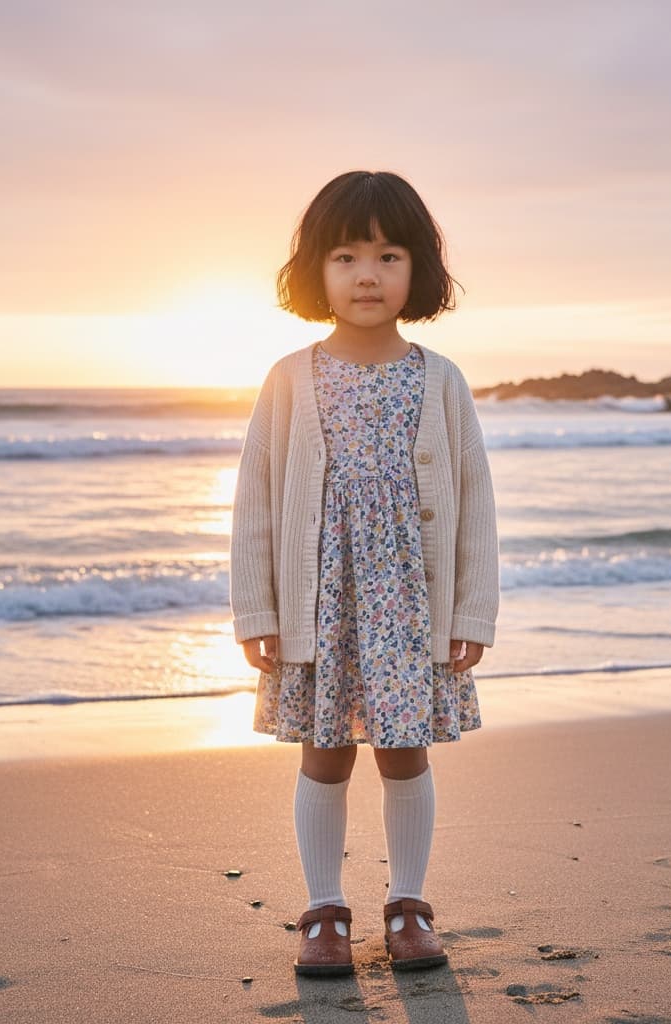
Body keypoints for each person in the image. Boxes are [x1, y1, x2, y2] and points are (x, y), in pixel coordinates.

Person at [229, 170, 499, 977]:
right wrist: (257, 609)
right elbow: (256, 501)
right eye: (345, 256)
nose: (367, 275)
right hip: (323, 603)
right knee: (323, 753)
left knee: (406, 750)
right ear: (315, 270)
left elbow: (476, 499)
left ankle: (408, 904)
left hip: (410, 605)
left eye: (388, 254)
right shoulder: (290, 378)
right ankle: (324, 912)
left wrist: (472, 614)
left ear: (419, 269)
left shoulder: (441, 379)